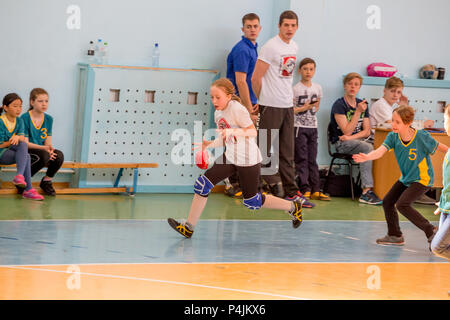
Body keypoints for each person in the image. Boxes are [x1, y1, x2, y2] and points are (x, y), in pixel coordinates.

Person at [167, 78, 304, 238]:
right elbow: (225, 138)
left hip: (248, 159)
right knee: (202, 185)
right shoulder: (218, 113)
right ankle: (189, 227)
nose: (214, 101)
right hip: (231, 156)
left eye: (218, 97)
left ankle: (293, 207)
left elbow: (252, 132)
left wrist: (233, 132)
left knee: (252, 201)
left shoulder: (237, 109)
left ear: (229, 96)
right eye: (212, 97)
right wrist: (209, 144)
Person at [353, 105, 447, 247]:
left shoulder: (421, 136)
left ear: (408, 123)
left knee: (402, 204)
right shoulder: (393, 137)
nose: (393, 124)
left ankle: (430, 230)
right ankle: (395, 235)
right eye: (392, 121)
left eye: (397, 122)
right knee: (387, 202)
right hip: (406, 178)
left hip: (422, 179)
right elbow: (380, 151)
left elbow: (441, 147)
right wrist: (367, 157)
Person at [251, 10, 314, 208]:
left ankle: (291, 192)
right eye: (286, 25)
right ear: (279, 26)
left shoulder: (294, 46)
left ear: (297, 27)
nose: (289, 29)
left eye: (293, 25)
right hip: (270, 105)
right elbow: (255, 78)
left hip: (287, 106)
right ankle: (253, 189)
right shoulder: (270, 47)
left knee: (287, 152)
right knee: (262, 149)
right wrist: (262, 100)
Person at [329, 72, 382, 205]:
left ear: (359, 87)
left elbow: (366, 131)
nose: (353, 87)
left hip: (355, 140)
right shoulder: (339, 105)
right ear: (345, 86)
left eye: (356, 84)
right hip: (341, 144)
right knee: (368, 148)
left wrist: (351, 137)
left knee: (383, 146)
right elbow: (346, 130)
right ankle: (366, 192)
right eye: (350, 84)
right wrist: (357, 112)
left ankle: (384, 187)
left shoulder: (362, 103)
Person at [224, 13, 261, 199]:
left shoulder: (254, 48)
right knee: (233, 141)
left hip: (249, 101)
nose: (252, 29)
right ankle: (232, 183)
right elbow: (240, 81)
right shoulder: (242, 50)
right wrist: (247, 107)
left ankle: (244, 184)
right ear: (243, 29)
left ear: (259, 28)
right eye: (248, 26)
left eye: (255, 26)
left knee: (245, 144)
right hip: (236, 103)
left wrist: (255, 102)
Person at [293, 57, 329, 201]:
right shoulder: (295, 89)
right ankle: (305, 187)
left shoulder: (317, 88)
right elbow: (291, 111)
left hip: (312, 126)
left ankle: (316, 188)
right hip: (299, 127)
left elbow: (317, 105)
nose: (308, 72)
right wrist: (304, 108)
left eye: (311, 69)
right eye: (305, 69)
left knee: (312, 158)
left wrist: (312, 108)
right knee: (301, 158)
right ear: (300, 70)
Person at [20, 88, 64, 196]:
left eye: (46, 101)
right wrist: (45, 150)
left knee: (58, 155)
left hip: (42, 150)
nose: (44, 104)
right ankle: (24, 182)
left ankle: (46, 181)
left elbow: (48, 142)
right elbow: (25, 144)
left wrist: (50, 150)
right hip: (28, 150)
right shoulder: (24, 118)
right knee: (44, 155)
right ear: (32, 102)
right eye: (40, 101)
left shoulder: (49, 119)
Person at [0, 93, 44, 200]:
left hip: (11, 150)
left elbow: (22, 138)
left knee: (24, 146)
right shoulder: (1, 121)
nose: (19, 109)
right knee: (26, 155)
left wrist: (18, 138)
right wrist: (14, 139)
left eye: (20, 106)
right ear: (5, 107)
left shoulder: (19, 121)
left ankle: (20, 178)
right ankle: (28, 189)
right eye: (15, 106)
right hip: (1, 152)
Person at [430, 104, 450, 260]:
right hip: (446, 207)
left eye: (445, 119)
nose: (444, 123)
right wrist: (443, 201)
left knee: (438, 247)